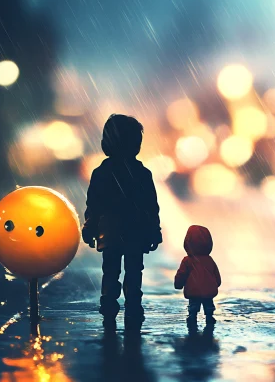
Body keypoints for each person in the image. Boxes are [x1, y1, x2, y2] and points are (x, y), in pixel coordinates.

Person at [82, 114, 162, 327]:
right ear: (137, 146)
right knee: (134, 269)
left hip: (109, 232)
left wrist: (90, 228)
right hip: (136, 231)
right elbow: (150, 207)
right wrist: (154, 230)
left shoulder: (100, 174)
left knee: (110, 269)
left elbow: (94, 205)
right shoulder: (143, 174)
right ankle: (133, 304)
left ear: (105, 144)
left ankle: (108, 301)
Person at [174, 225, 221, 330]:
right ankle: (209, 316)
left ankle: (192, 316)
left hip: (193, 289)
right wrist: (216, 283)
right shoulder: (209, 260)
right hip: (208, 289)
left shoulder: (187, 260)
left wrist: (178, 284)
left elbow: (182, 273)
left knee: (193, 304)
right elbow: (216, 274)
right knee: (208, 304)